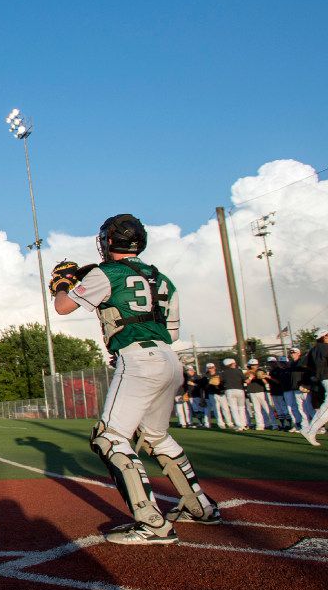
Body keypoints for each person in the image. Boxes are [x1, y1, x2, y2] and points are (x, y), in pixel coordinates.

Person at [49, 213, 220, 545]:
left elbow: (62, 307)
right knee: (157, 438)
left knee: (109, 438)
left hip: (138, 358)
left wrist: (62, 282)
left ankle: (152, 522)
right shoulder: (164, 279)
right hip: (169, 358)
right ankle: (202, 507)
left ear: (109, 241)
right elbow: (169, 333)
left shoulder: (107, 272)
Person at [300, 331, 328, 446]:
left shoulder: (313, 349)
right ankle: (309, 431)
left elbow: (303, 363)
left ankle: (309, 430)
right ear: (322, 337)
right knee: (326, 408)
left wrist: (317, 371)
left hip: (323, 378)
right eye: (327, 335)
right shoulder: (324, 347)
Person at [284, 346, 313, 432]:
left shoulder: (302, 361)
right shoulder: (292, 364)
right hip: (296, 389)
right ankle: (305, 427)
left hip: (304, 388)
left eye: (294, 353)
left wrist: (307, 386)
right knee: (301, 409)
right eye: (291, 353)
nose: (292, 355)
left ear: (299, 353)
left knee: (309, 408)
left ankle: (317, 426)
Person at [243, 358, 273, 431]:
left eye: (255, 365)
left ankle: (271, 424)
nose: (254, 366)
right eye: (252, 365)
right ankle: (260, 425)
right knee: (257, 409)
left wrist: (262, 377)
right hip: (252, 392)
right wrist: (251, 377)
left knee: (266, 408)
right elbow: (247, 382)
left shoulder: (261, 371)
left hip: (262, 391)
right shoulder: (247, 373)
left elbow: (266, 383)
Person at [219, 357, 248, 431]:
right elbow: (246, 381)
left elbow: (220, 382)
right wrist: (250, 377)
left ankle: (239, 425)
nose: (235, 364)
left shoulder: (223, 373)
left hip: (229, 391)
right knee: (241, 408)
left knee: (233, 409)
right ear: (232, 364)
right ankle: (244, 424)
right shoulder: (238, 371)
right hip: (240, 390)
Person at [267, 356, 291, 430]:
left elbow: (278, 382)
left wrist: (269, 377)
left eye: (272, 362)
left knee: (284, 408)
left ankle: (289, 424)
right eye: (270, 363)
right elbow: (270, 382)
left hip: (280, 391)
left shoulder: (279, 370)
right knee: (278, 409)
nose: (271, 364)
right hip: (274, 391)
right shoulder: (271, 371)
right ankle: (283, 425)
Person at [201, 362, 226, 429]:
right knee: (215, 409)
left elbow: (223, 384)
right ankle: (219, 423)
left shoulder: (219, 374)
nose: (211, 369)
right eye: (209, 368)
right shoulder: (205, 376)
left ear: (214, 367)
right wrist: (209, 383)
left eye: (212, 367)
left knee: (225, 409)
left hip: (220, 394)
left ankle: (229, 423)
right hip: (210, 394)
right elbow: (203, 388)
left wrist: (219, 385)